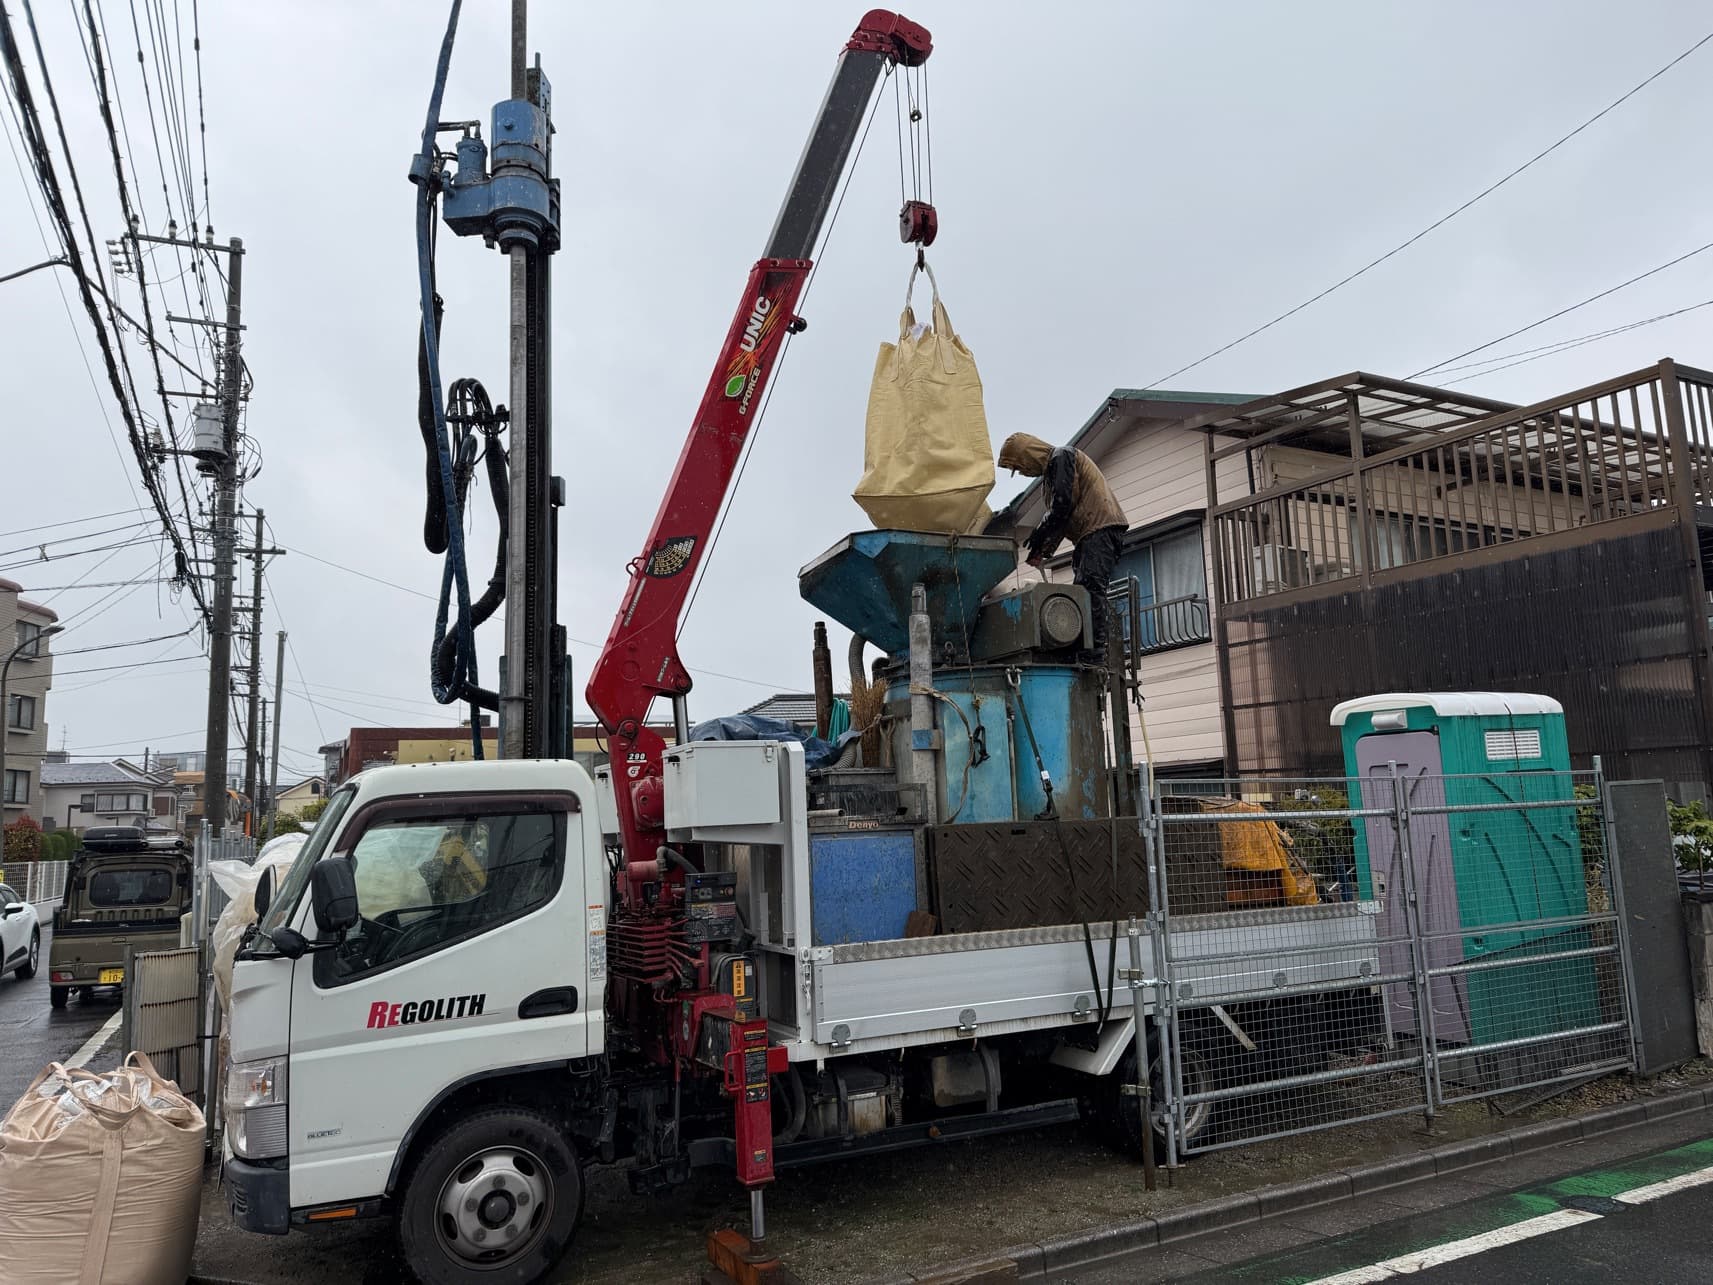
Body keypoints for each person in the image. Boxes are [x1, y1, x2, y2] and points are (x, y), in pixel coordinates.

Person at [997, 432, 1128, 654]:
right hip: (1091, 534)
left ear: (1028, 455)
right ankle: (1089, 647)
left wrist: (1040, 534)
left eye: (1019, 467)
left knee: (1089, 588)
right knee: (1083, 589)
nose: (1022, 473)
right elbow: (1062, 514)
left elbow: (1062, 505)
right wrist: (1042, 549)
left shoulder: (1061, 456)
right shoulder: (1051, 476)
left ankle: (1095, 650)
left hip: (1100, 529)